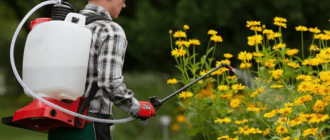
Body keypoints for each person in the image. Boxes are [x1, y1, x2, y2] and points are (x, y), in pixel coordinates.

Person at [48, 0, 156, 140]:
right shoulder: (111, 30)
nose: (124, 5)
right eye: (122, 0)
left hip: (57, 122)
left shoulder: (65, 27)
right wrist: (137, 108)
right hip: (88, 124)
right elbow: (109, 82)